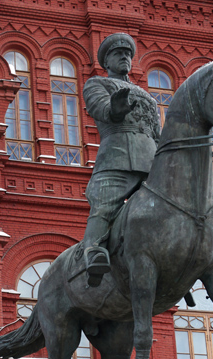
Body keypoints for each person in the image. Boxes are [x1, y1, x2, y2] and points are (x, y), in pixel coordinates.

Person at [79, 33, 161, 286]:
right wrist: (116, 107)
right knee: (105, 207)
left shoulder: (147, 97)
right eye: (118, 53)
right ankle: (93, 253)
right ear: (107, 61)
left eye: (127, 53)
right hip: (117, 156)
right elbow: (102, 110)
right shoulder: (97, 84)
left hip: (152, 163)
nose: (124, 56)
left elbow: (157, 134)